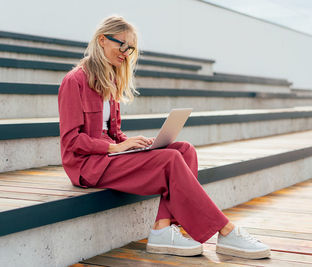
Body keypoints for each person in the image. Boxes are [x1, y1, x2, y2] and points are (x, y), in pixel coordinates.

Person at [58, 15, 270, 259]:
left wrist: (132, 143)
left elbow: (112, 133)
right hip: (88, 166)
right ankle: (225, 230)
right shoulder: (74, 81)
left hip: (108, 156)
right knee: (169, 160)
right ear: (102, 40)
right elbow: (71, 142)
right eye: (122, 45)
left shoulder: (110, 79)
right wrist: (116, 148)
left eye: (131, 48)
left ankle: (162, 228)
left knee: (184, 150)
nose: (126, 53)